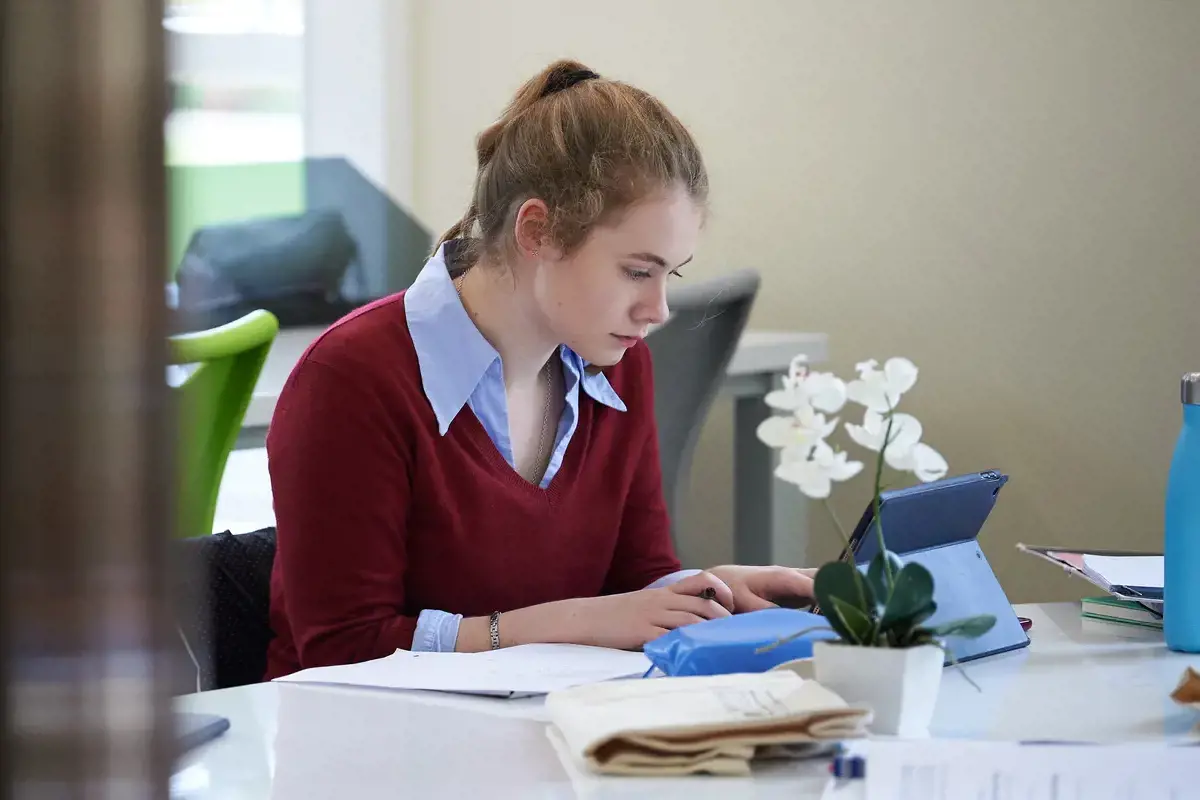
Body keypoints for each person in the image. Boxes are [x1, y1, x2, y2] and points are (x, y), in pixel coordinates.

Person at [262, 59, 816, 680]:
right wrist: (565, 622)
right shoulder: (350, 379)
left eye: (672, 273)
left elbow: (635, 581)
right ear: (537, 231)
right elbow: (341, 647)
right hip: (364, 752)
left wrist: (705, 591)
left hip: (545, 740)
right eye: (637, 271)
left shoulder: (620, 366)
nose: (657, 309)